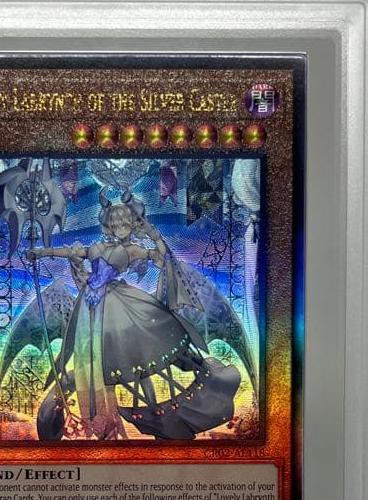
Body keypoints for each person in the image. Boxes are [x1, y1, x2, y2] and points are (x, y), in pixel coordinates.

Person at [27, 189, 241, 441]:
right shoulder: (96, 246)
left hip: (120, 303)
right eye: (116, 224)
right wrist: (40, 253)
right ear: (108, 225)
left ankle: (177, 386)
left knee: (141, 343)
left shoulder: (134, 250)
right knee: (96, 356)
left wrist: (151, 232)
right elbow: (69, 253)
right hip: (90, 308)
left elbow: (162, 256)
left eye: (125, 224)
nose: (120, 228)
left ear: (131, 225)